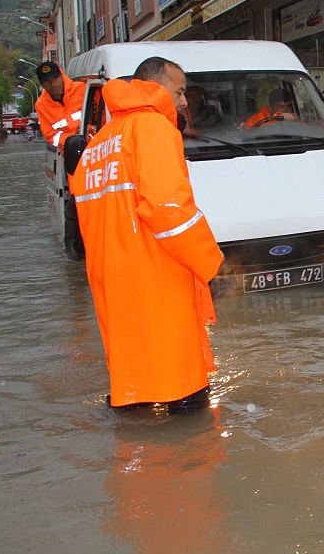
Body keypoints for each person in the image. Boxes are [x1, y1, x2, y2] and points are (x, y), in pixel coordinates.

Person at [68, 57, 225, 412]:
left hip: (114, 287)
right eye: (180, 91)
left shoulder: (100, 144)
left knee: (133, 394)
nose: (185, 101)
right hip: (157, 283)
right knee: (186, 399)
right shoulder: (153, 129)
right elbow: (167, 210)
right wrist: (212, 265)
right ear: (155, 87)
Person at [34, 61, 86, 150]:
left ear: (61, 76)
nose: (52, 84)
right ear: (42, 84)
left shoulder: (82, 89)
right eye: (47, 81)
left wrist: (87, 131)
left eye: (54, 79)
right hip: (69, 152)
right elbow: (51, 135)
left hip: (95, 145)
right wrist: (73, 138)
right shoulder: (41, 105)